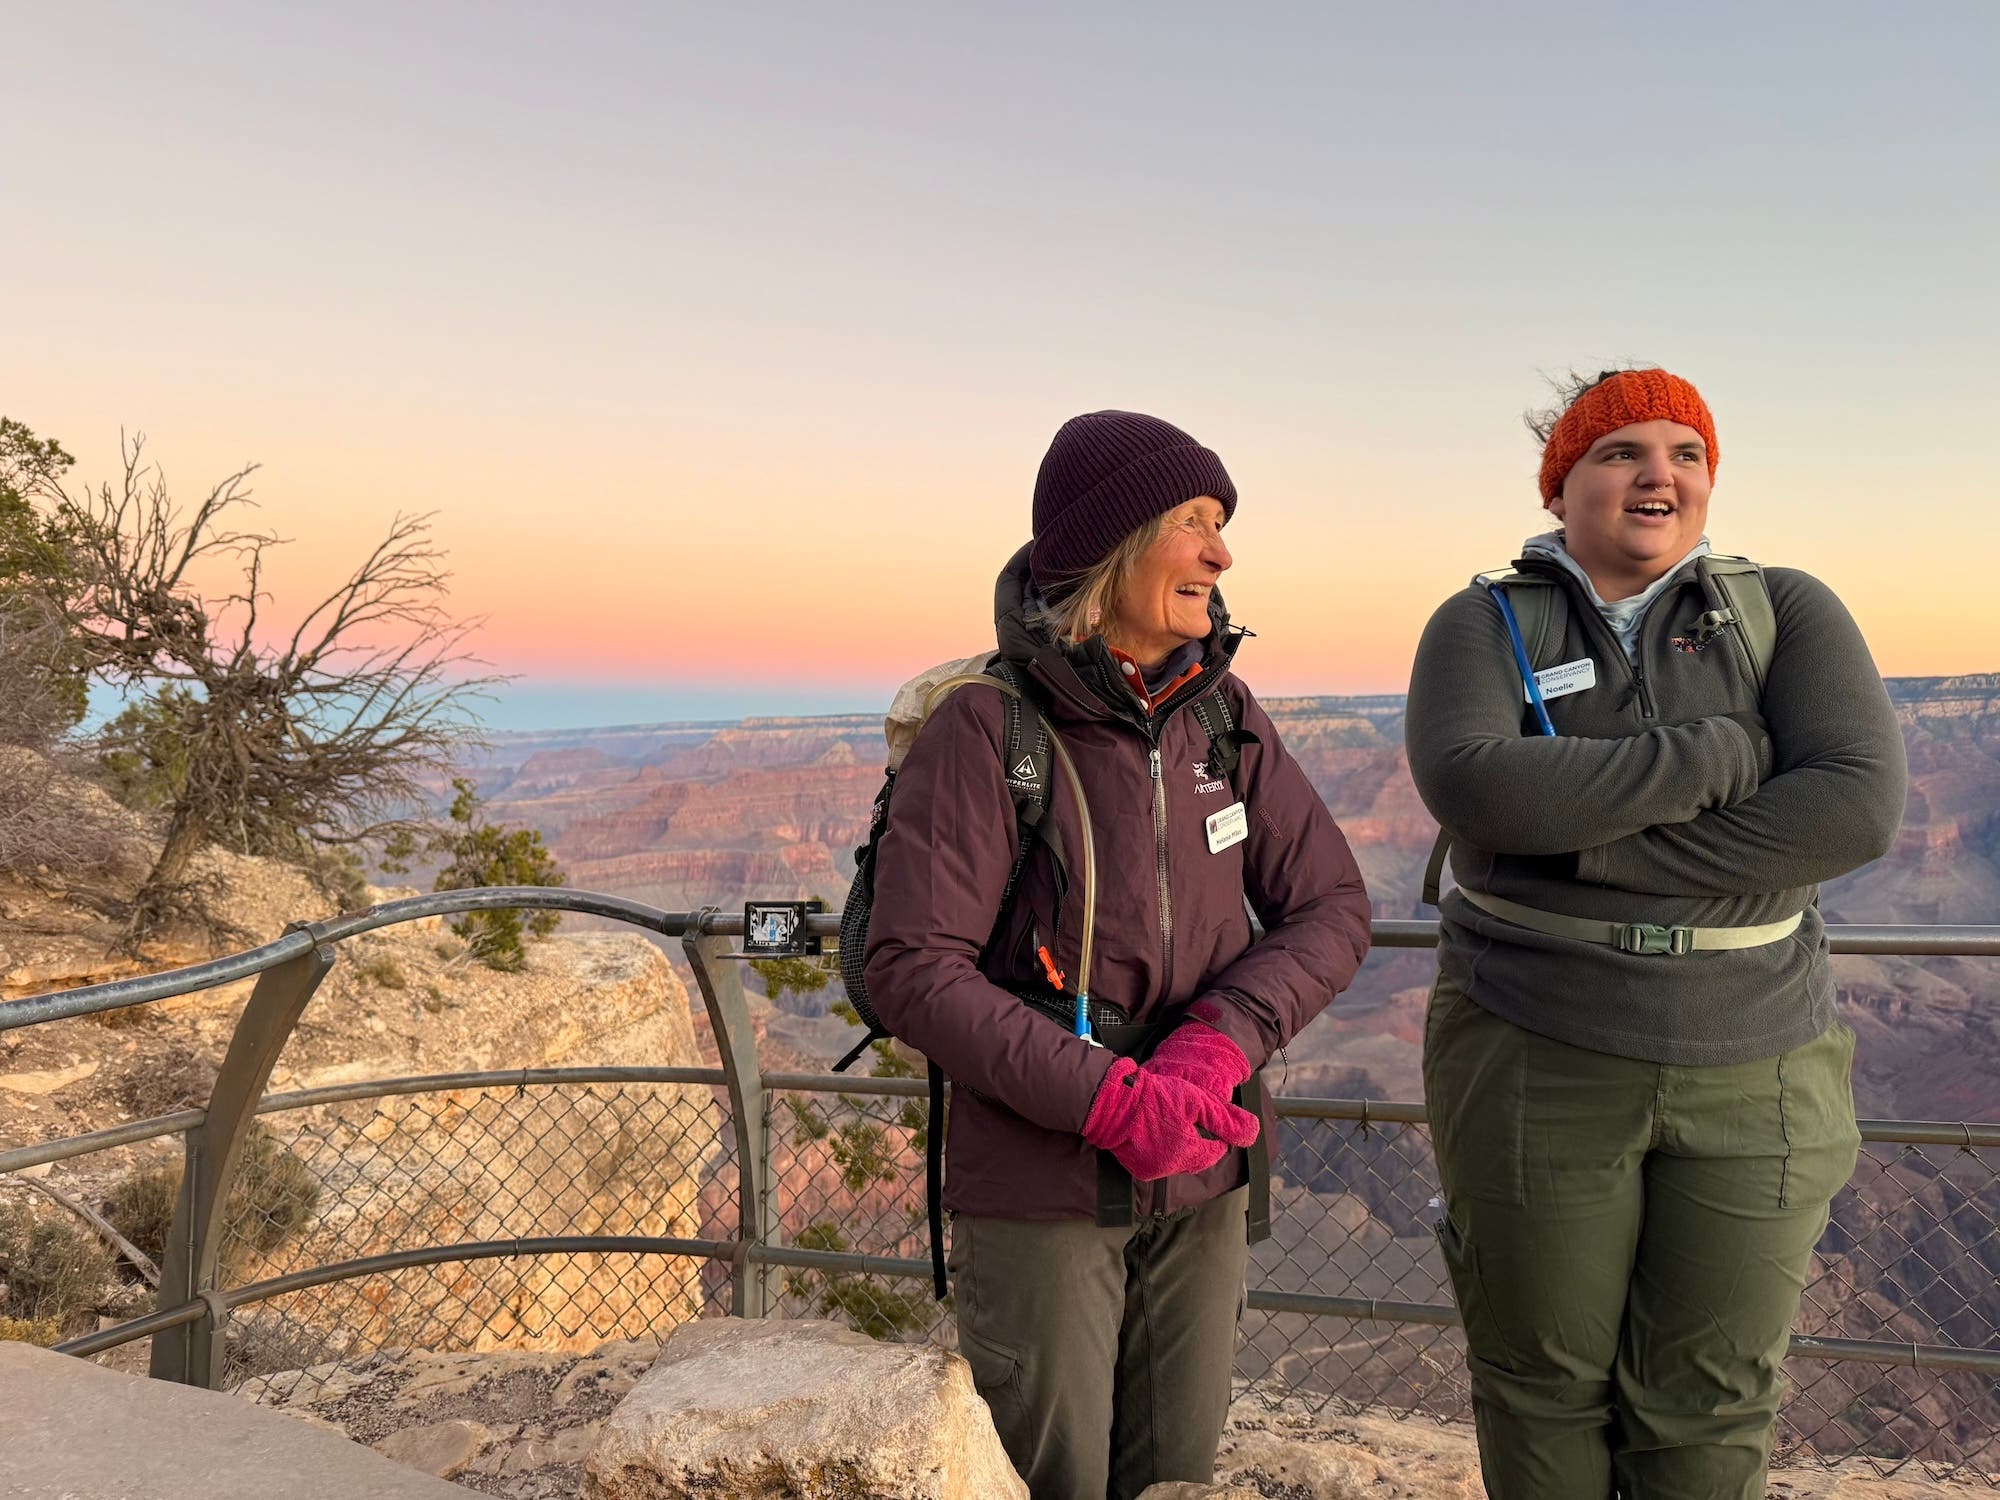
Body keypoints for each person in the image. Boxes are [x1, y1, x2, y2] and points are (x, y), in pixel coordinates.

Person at [1405, 367, 1907, 1498]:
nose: (1657, 473)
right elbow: (1478, 792)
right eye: (1619, 450)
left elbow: (1853, 808)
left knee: (1713, 1396)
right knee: (1539, 1381)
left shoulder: (1785, 609)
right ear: (1561, 485)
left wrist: (1574, 851)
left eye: (1684, 452)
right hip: (1532, 1049)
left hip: (1756, 1061)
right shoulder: (1484, 621)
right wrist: (1725, 759)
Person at [865, 410, 1372, 1500]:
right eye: (1192, 521)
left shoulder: (1223, 717)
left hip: (1201, 1167)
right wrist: (1103, 1099)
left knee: (1174, 1479)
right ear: (1110, 544)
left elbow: (1330, 905)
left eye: (1220, 526)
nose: (1220, 552)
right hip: (1041, 1189)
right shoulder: (989, 730)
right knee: (1053, 1482)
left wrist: (1212, 1044)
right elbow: (910, 965)